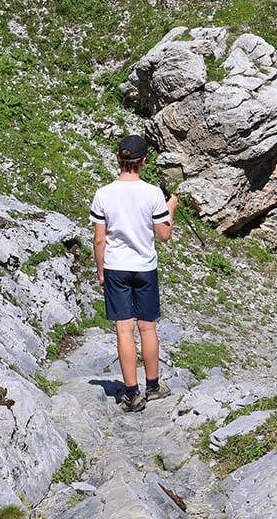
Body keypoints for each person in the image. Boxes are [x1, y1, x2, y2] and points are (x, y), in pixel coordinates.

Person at [89, 134, 178, 412]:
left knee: (124, 329)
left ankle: (131, 394)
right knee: (147, 327)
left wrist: (101, 271)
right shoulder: (153, 193)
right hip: (145, 267)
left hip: (116, 266)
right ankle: (153, 387)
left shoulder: (103, 193)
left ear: (118, 159)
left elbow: (99, 240)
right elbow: (164, 235)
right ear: (144, 161)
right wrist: (170, 208)